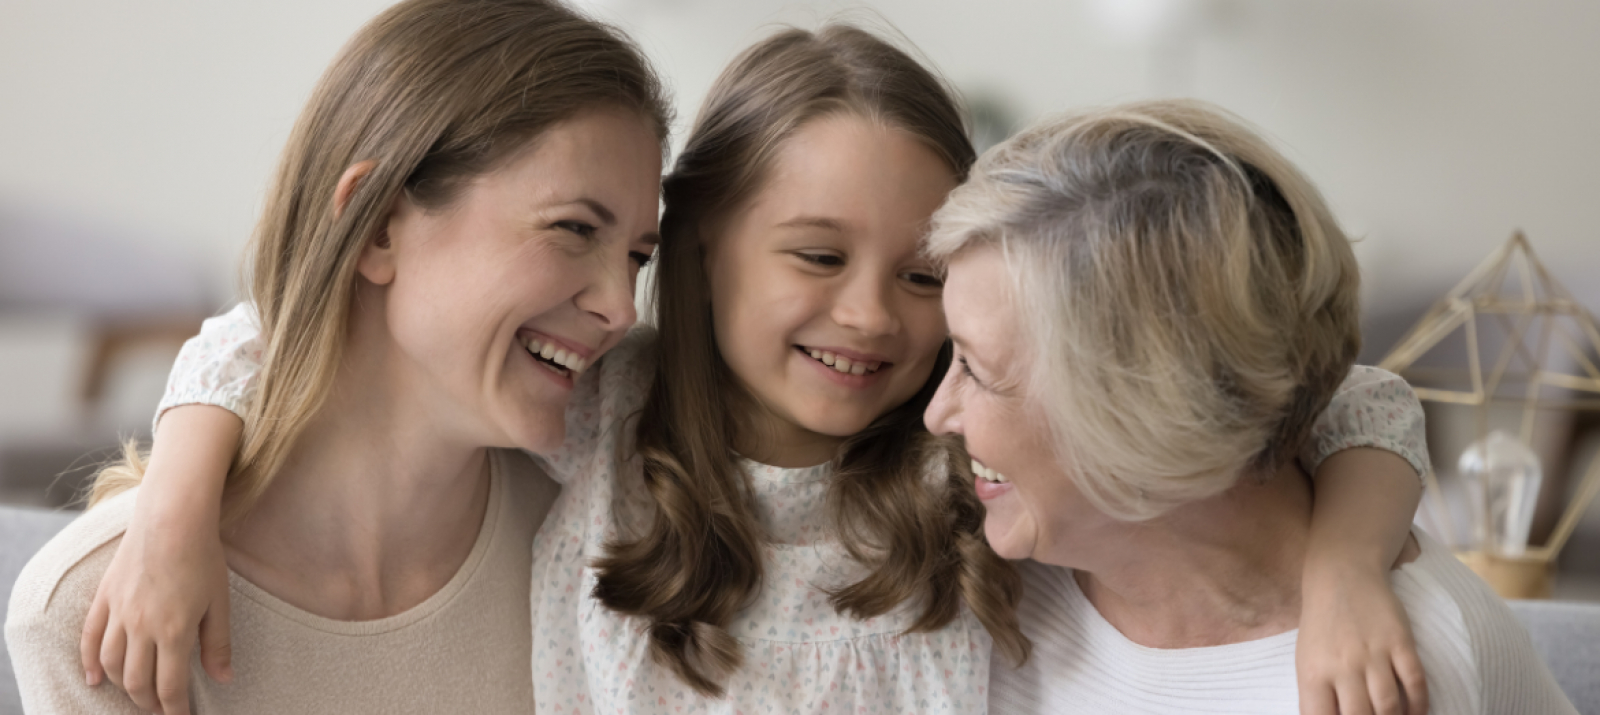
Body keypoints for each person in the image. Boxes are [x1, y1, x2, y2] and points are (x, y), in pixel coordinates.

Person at [56, 24, 1428, 715]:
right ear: (701, 248)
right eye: (816, 254)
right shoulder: (601, 404)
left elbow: (1352, 395)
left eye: (924, 273)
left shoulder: (977, 455)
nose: (875, 317)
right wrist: (177, 503)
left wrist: (1345, 567)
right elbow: (280, 329)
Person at [4, 0, 669, 712]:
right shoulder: (99, 616)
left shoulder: (610, 549)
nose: (622, 307)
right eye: (572, 228)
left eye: (636, 257)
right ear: (376, 226)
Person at [923, 98, 1576, 714]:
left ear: (1146, 418)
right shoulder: (979, 556)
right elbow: (1367, 392)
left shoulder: (1382, 677)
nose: (936, 414)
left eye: (975, 370)